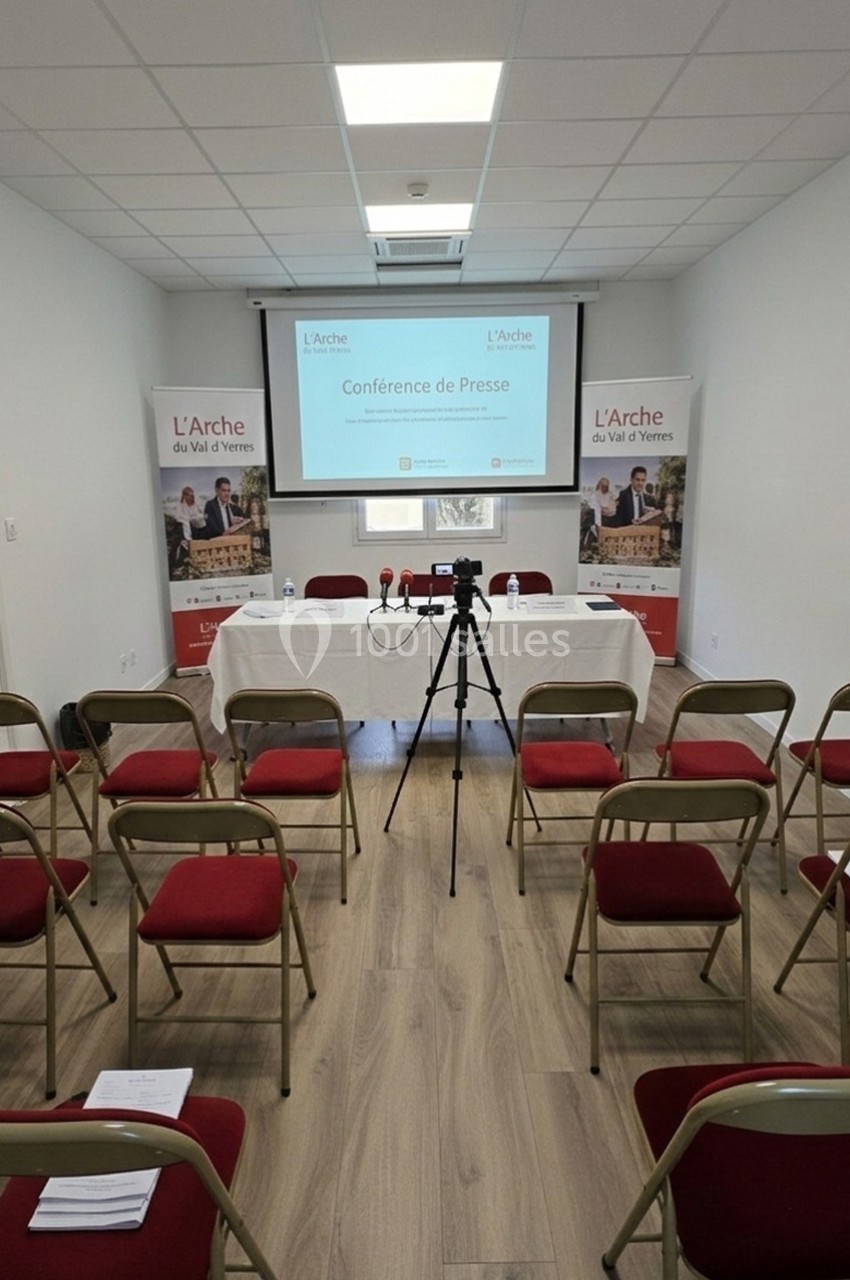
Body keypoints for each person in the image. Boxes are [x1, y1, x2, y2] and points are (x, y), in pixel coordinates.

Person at [583, 476, 614, 549]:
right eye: (603, 486)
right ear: (600, 486)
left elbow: (611, 508)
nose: (605, 488)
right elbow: (596, 511)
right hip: (594, 519)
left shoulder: (609, 495)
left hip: (606, 519)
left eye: (606, 486)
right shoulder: (595, 495)